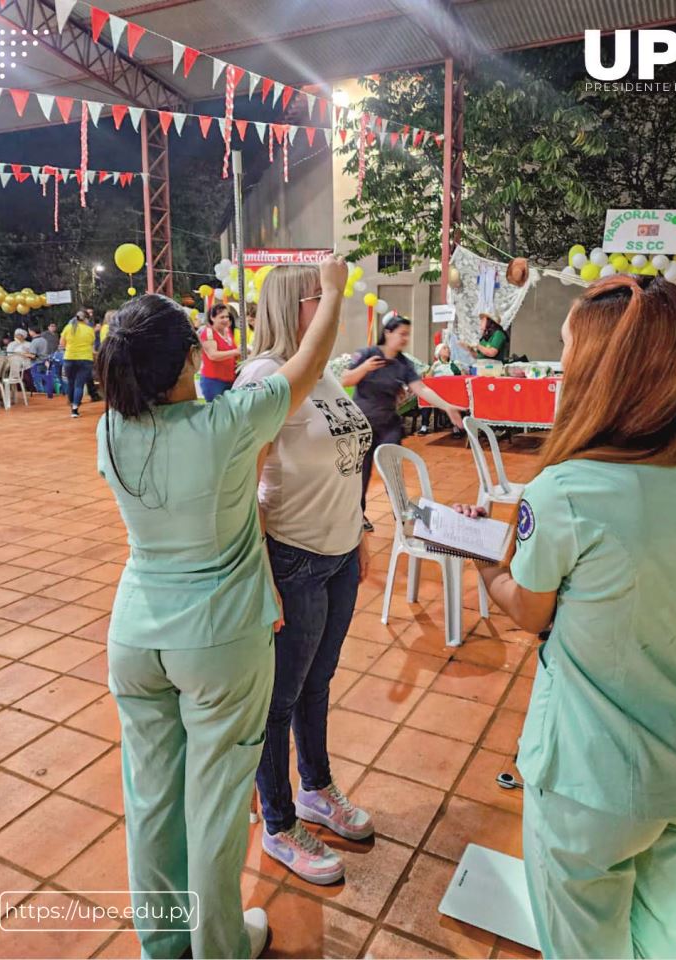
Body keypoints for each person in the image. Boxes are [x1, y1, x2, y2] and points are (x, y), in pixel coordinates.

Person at [457, 275, 676, 959]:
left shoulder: (564, 490)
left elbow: (529, 612)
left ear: (598, 368)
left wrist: (486, 564)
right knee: (669, 938)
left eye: (568, 353)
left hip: (589, 781)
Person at [95, 256, 349, 960]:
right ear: (191, 357)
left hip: (136, 633)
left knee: (150, 801)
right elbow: (310, 358)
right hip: (217, 642)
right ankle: (221, 945)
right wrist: (331, 289)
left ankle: (164, 942)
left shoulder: (111, 432)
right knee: (213, 806)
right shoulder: (226, 425)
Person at [235, 266, 374, 886]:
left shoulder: (325, 376)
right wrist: (261, 576)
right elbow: (240, 487)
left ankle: (316, 787)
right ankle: (279, 820)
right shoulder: (264, 378)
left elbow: (349, 461)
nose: (332, 307)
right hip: (292, 557)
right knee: (278, 700)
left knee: (317, 685)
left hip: (339, 554)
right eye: (322, 297)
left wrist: (362, 528)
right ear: (294, 304)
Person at [341, 312, 465, 532]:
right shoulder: (369, 354)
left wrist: (446, 406)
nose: (405, 339)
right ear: (387, 333)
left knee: (393, 472)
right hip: (363, 425)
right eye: (401, 334)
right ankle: (357, 516)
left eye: (407, 334)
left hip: (389, 424)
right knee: (362, 473)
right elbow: (345, 379)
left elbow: (422, 388)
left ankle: (403, 514)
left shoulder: (403, 364)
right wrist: (364, 368)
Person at [418, 341, 465, 436]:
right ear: (439, 352)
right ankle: (424, 426)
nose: (448, 350)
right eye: (445, 348)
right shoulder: (436, 365)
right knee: (426, 397)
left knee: (455, 399)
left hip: (452, 392)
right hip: (437, 393)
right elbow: (427, 379)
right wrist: (432, 368)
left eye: (448, 348)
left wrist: (461, 370)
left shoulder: (455, 364)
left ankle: (455, 427)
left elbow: (463, 377)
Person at [198, 303, 241, 401]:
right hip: (214, 381)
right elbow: (213, 355)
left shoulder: (227, 331)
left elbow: (231, 353)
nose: (226, 320)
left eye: (227, 317)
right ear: (212, 318)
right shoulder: (208, 333)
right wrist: (236, 351)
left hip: (230, 379)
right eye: (222, 317)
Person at [60, 311, 97, 418]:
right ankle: (75, 408)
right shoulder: (90, 330)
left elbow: (62, 343)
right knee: (79, 384)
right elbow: (91, 344)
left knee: (71, 383)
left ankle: (71, 402)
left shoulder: (68, 327)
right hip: (85, 358)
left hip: (69, 357)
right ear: (86, 319)